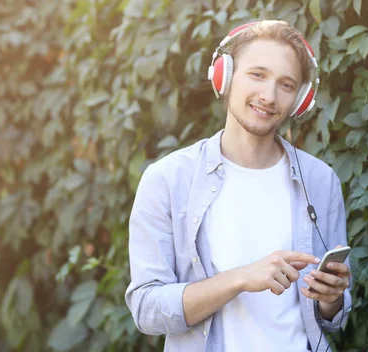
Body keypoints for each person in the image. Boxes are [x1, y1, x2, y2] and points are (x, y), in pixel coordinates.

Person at [125, 20, 352, 352]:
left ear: (300, 100)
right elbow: (147, 310)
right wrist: (240, 278)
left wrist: (331, 299)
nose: (269, 96)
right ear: (225, 75)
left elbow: (332, 316)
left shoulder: (320, 181)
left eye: (286, 85)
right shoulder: (167, 179)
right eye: (257, 75)